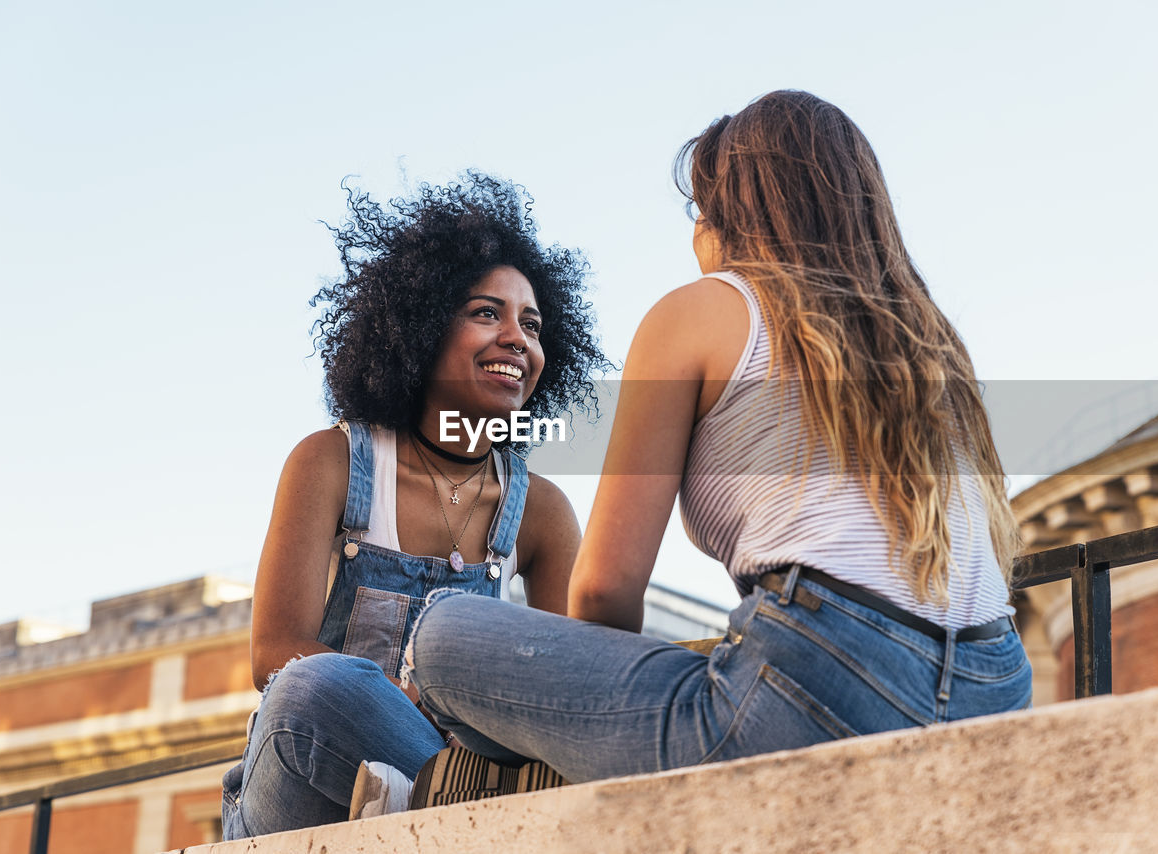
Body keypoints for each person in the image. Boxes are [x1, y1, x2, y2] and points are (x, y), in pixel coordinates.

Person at [404, 91, 1032, 784]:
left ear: (729, 212)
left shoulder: (704, 310)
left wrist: (587, 710)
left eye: (697, 210)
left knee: (443, 633)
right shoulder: (930, 347)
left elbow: (603, 592)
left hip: (819, 686)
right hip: (996, 684)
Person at [220, 172, 609, 838]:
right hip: (310, 771)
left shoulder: (542, 512)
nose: (518, 338)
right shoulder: (331, 462)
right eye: (487, 313)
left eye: (533, 324)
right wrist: (412, 711)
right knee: (313, 686)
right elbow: (274, 651)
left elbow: (561, 692)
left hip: (455, 773)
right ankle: (434, 797)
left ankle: (423, 800)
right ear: (422, 328)